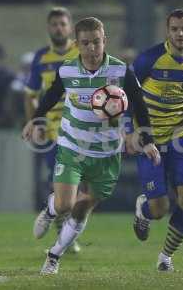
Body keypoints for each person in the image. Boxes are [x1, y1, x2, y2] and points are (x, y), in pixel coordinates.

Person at [22, 16, 160, 274]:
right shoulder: (67, 70)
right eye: (85, 43)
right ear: (77, 44)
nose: (92, 49)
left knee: (81, 208)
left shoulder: (120, 71)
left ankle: (54, 255)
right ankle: (52, 209)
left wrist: (148, 139)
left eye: (96, 42)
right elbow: (51, 95)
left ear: (104, 41)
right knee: (65, 205)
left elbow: (139, 104)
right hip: (72, 146)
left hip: (107, 154)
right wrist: (35, 120)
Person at [126, 9, 183, 271]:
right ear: (168, 31)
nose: (180, 33)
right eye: (175, 29)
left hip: (182, 136)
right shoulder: (149, 59)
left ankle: (166, 257)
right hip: (150, 137)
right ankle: (144, 209)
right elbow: (125, 96)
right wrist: (129, 130)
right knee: (159, 209)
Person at [24, 7, 81, 252]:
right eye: (55, 24)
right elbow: (30, 95)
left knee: (83, 188)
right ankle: (64, 232)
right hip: (54, 131)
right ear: (49, 28)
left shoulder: (81, 51)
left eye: (63, 23)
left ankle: (62, 225)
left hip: (82, 128)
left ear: (70, 27)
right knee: (60, 184)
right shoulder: (41, 58)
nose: (59, 28)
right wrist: (35, 123)